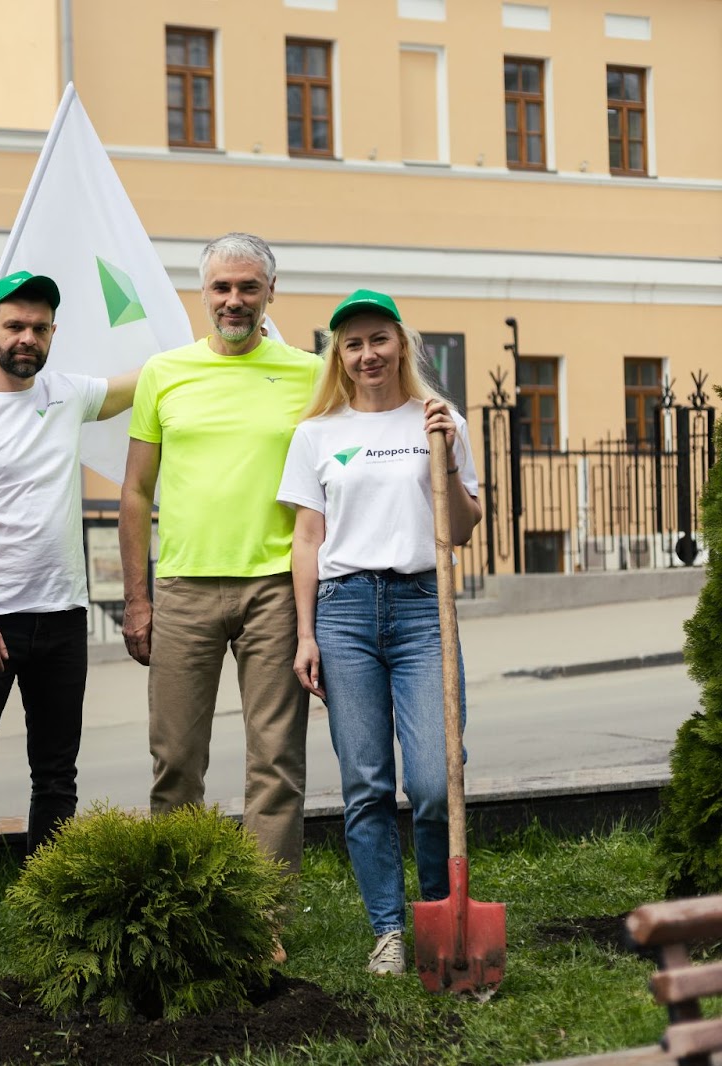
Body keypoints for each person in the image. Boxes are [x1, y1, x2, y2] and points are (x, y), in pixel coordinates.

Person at [0, 271, 139, 975]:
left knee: (57, 776)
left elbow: (141, 381)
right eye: (14, 326)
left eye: (40, 328)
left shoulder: (66, 394)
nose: (27, 339)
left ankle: (53, 910)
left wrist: (226, 337)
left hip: (62, 618)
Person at [118, 233, 321, 957]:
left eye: (248, 287)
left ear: (270, 292)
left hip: (274, 589)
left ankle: (259, 919)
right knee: (176, 761)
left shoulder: (310, 374)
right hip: (183, 588)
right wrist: (136, 600)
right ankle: (178, 916)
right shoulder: (164, 375)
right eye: (221, 289)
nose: (234, 301)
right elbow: (137, 492)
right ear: (201, 295)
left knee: (276, 762)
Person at [277, 289, 481, 976]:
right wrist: (305, 635)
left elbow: (464, 526)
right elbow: (307, 540)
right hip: (343, 613)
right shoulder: (317, 435)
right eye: (353, 344)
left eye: (378, 340)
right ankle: (390, 931)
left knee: (432, 780)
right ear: (339, 354)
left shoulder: (438, 418)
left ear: (401, 344)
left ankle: (437, 916)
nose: (367, 354)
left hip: (425, 607)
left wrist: (445, 456)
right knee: (365, 783)